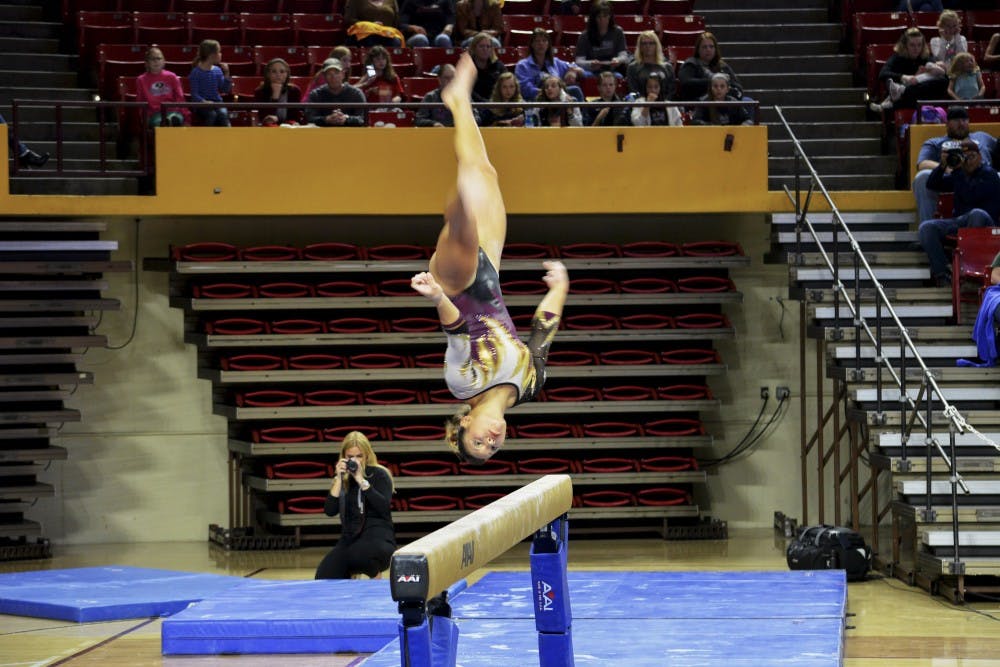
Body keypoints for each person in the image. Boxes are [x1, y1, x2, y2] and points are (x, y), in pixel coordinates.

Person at [409, 53, 569, 463]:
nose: (491, 441)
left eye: (478, 442)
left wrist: (436, 298)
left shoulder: (461, 385)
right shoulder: (529, 387)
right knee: (485, 169)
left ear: (464, 423)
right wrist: (560, 288)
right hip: (490, 272)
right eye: (492, 449)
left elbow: (459, 333)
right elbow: (542, 333)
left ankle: (457, 206)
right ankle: (459, 99)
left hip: (455, 286)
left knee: (464, 216)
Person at [918, 138, 1000, 287]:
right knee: (926, 227)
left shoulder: (990, 175)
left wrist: (960, 174)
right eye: (964, 158)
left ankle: (968, 268)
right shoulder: (959, 174)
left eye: (972, 157)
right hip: (960, 221)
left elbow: (972, 195)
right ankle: (943, 273)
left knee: (976, 214)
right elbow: (932, 184)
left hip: (987, 224)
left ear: (980, 157)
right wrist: (943, 165)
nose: (968, 161)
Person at [314, 431, 396, 580]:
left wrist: (360, 479)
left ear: (367, 455)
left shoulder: (379, 474)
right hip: (350, 539)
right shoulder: (343, 480)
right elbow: (330, 511)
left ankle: (376, 579)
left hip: (378, 537)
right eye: (350, 457)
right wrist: (338, 479)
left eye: (359, 456)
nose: (355, 461)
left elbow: (383, 507)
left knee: (357, 554)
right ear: (343, 457)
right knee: (324, 574)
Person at [912, 106, 996, 224]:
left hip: (982, 179)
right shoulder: (934, 142)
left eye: (964, 120)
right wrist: (947, 168)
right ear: (947, 124)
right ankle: (928, 223)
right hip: (950, 179)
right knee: (922, 177)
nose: (961, 123)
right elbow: (922, 164)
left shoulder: (982, 137)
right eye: (956, 120)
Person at [870, 28, 948, 113]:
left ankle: (896, 99)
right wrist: (904, 77)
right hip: (913, 96)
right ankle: (899, 97)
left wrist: (923, 73)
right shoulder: (897, 58)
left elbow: (938, 74)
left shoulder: (926, 57)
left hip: (919, 93)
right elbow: (883, 74)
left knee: (943, 80)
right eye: (912, 45)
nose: (916, 48)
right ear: (905, 45)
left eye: (919, 45)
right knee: (904, 89)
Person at [514, 28, 586, 103]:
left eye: (544, 41)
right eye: (537, 41)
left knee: (575, 90)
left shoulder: (555, 62)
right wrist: (548, 92)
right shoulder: (522, 66)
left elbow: (576, 68)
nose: (541, 43)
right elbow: (525, 89)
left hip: (557, 98)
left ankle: (583, 114)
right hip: (535, 100)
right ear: (532, 44)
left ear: (548, 44)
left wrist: (572, 71)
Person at [678, 31, 743, 102]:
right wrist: (713, 82)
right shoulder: (691, 64)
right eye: (704, 47)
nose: (708, 50)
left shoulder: (722, 65)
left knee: (747, 100)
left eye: (711, 47)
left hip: (724, 102)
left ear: (715, 49)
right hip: (700, 104)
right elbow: (686, 83)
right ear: (698, 49)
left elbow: (737, 86)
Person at [136, 46, 189, 128]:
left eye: (159, 58)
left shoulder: (172, 76)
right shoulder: (141, 80)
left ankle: (170, 122)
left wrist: (187, 118)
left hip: (173, 111)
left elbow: (180, 98)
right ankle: (167, 123)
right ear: (147, 63)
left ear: (164, 61)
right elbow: (140, 101)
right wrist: (143, 117)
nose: (156, 61)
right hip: (154, 114)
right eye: (152, 59)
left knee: (175, 119)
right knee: (160, 122)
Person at [574, 1, 629, 78]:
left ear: (609, 16)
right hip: (591, 72)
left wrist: (618, 60)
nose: (602, 20)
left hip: (611, 71)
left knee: (618, 77)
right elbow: (579, 61)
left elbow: (623, 55)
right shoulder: (585, 36)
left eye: (605, 16)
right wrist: (590, 63)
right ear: (594, 18)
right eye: (599, 17)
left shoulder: (617, 32)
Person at [305, 58, 367, 126]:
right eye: (329, 74)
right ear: (324, 76)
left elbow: (362, 119)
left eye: (336, 73)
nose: (333, 77)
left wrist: (346, 119)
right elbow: (310, 118)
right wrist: (326, 119)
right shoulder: (315, 95)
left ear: (343, 74)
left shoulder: (356, 93)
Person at [188, 39, 232, 127]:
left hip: (217, 103)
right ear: (212, 55)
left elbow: (225, 90)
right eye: (219, 52)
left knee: (223, 114)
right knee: (211, 115)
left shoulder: (217, 70)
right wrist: (204, 102)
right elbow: (195, 94)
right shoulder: (196, 72)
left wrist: (227, 74)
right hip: (201, 105)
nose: (220, 54)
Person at [253, 57, 303, 126]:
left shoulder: (294, 91)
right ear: (268, 74)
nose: (278, 75)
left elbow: (295, 117)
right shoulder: (260, 92)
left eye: (282, 72)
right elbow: (266, 119)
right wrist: (275, 97)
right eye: (274, 71)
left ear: (287, 74)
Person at [626, 30, 673, 99]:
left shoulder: (667, 67)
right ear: (640, 47)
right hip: (640, 106)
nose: (648, 46)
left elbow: (671, 91)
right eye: (644, 43)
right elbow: (633, 91)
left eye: (651, 43)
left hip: (664, 106)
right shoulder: (632, 68)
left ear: (657, 45)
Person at [468, 32, 506, 102]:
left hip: (497, 105)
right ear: (474, 48)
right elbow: (468, 91)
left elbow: (506, 85)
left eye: (488, 46)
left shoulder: (499, 66)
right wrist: (486, 103)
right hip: (474, 106)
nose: (485, 49)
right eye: (481, 46)